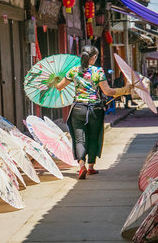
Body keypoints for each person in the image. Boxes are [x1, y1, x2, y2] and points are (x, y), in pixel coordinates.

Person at [56, 45, 132, 179]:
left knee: (79, 139)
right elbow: (108, 92)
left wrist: (57, 80)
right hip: (95, 109)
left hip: (78, 108)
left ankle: (81, 166)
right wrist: (124, 90)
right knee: (93, 137)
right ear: (94, 57)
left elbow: (59, 86)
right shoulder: (98, 71)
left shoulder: (73, 71)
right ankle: (91, 167)